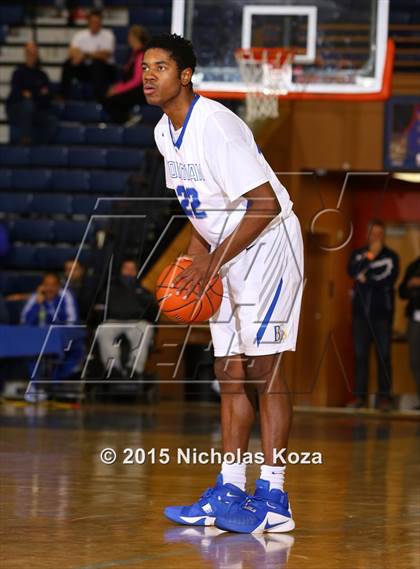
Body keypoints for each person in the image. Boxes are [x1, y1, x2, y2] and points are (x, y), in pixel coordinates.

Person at [143, 34, 304, 534]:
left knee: (264, 366)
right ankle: (230, 488)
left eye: (161, 67)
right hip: (226, 250)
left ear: (185, 75)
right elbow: (201, 210)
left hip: (267, 243)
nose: (149, 75)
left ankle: (275, 497)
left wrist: (213, 261)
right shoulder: (164, 134)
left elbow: (265, 203)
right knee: (228, 367)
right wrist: (196, 260)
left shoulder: (215, 125)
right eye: (145, 67)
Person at [347, 220, 399, 411]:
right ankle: (360, 398)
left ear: (383, 235)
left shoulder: (392, 256)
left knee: (383, 355)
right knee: (360, 356)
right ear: (368, 235)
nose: (376, 237)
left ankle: (384, 399)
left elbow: (388, 281)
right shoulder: (359, 254)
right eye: (373, 234)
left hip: (382, 316)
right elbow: (352, 271)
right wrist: (370, 256)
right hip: (360, 314)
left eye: (379, 234)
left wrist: (365, 279)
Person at [94, 259, 158, 378]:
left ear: (136, 272)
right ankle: (113, 369)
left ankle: (134, 369)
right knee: (102, 329)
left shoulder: (143, 291)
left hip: (137, 323)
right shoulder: (109, 289)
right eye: (126, 268)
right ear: (121, 271)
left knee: (146, 329)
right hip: (113, 321)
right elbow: (99, 308)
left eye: (132, 269)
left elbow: (153, 311)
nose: (129, 272)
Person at [21, 272, 84, 387]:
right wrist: (37, 304)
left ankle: (56, 383)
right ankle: (36, 386)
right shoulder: (36, 297)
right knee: (29, 348)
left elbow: (72, 321)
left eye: (53, 285)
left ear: (58, 286)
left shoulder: (66, 295)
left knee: (73, 348)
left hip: (63, 335)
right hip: (40, 337)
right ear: (42, 286)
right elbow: (26, 322)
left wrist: (55, 331)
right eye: (46, 285)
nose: (49, 288)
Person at [6, 43, 57, 145]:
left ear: (37, 55)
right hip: (17, 109)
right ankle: (25, 139)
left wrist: (31, 94)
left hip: (35, 110)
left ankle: (39, 148)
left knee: (52, 120)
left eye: (34, 53)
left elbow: (49, 94)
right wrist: (38, 94)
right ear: (25, 54)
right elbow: (18, 93)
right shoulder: (18, 73)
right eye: (29, 53)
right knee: (28, 105)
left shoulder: (42, 75)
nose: (32, 55)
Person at [60, 9, 115, 101]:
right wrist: (80, 56)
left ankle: (99, 98)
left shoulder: (108, 35)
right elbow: (72, 51)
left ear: (101, 23)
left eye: (97, 22)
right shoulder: (80, 35)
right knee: (68, 63)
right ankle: (62, 95)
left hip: (105, 69)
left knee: (97, 64)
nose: (95, 24)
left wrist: (85, 55)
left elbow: (105, 55)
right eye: (93, 22)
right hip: (86, 68)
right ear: (88, 22)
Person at [103, 25, 150, 124]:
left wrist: (118, 90)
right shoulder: (133, 53)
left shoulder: (142, 54)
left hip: (140, 90)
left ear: (135, 38)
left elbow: (137, 80)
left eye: (130, 36)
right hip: (133, 88)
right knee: (109, 97)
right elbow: (127, 78)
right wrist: (117, 87)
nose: (128, 38)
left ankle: (127, 120)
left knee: (111, 100)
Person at [399, 256, 420, 409]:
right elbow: (402, 292)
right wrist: (410, 285)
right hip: (415, 317)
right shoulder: (414, 265)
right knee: (415, 361)